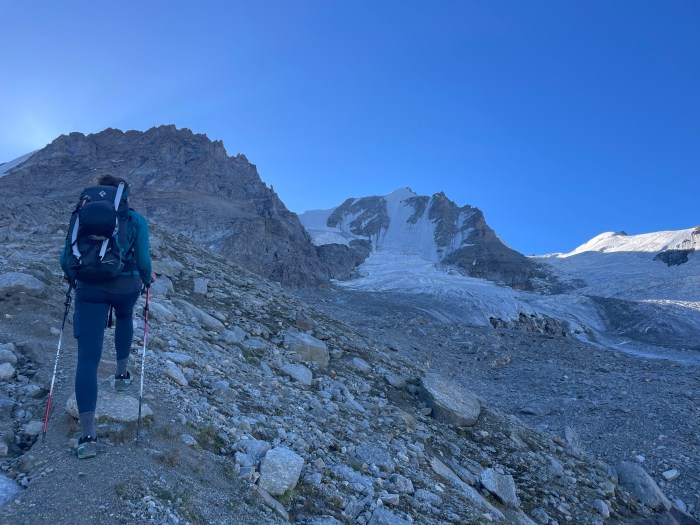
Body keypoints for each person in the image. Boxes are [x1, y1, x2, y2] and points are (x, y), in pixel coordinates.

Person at [60, 174, 155, 459]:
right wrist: (147, 280)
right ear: (121, 196)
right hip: (126, 286)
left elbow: (66, 258)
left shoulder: (80, 215)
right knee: (125, 318)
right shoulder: (135, 220)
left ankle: (88, 436)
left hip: (89, 288)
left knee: (87, 358)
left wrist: (74, 279)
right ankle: (122, 375)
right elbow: (144, 261)